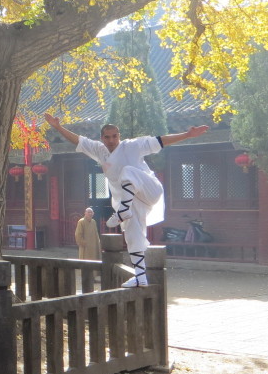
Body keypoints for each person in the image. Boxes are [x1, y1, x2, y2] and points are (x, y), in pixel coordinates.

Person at [45, 113, 209, 287]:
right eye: (107, 137)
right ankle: (140, 277)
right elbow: (79, 141)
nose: (111, 140)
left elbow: (159, 141)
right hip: (131, 201)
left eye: (115, 136)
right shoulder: (99, 151)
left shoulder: (132, 146)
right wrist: (58, 127)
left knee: (127, 172)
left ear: (119, 136)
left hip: (149, 190)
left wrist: (187, 135)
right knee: (133, 235)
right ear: (102, 138)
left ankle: (123, 210)